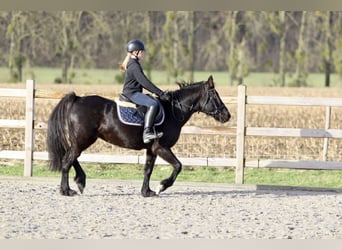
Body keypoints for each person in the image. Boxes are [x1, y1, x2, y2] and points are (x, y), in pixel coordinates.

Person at [119, 39, 171, 143]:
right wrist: (160, 93)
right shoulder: (134, 65)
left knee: (153, 101)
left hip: (134, 93)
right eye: (142, 52)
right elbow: (145, 82)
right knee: (153, 104)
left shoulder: (134, 63)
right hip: (132, 94)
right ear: (135, 52)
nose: (143, 54)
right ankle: (147, 132)